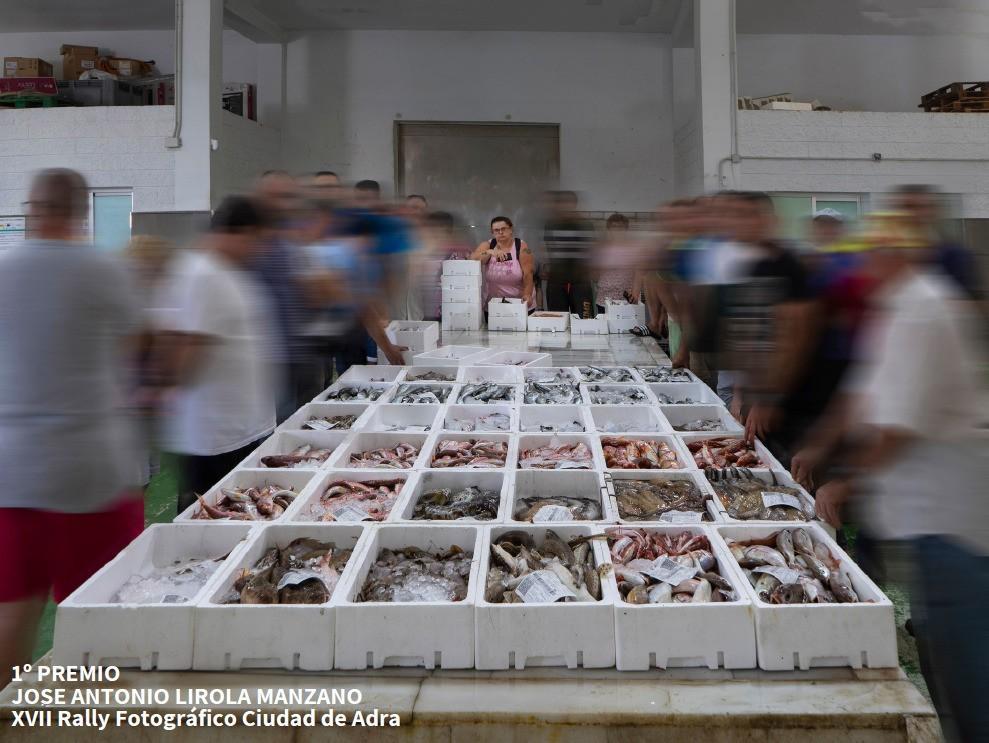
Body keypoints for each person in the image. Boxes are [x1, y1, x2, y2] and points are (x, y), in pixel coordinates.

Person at [797, 212, 989, 743]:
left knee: (965, 663)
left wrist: (846, 482)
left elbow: (900, 426)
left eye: (871, 256)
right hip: (922, 516)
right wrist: (820, 443)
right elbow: (861, 392)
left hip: (949, 520)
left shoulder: (921, 311)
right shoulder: (894, 305)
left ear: (897, 256)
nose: (863, 267)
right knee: (942, 643)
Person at [0, 169, 143, 687]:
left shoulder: (4, 269)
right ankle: (86, 713)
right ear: (82, 214)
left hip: (14, 471)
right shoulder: (104, 271)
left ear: (31, 211)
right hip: (91, 471)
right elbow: (133, 349)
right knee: (96, 614)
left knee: (14, 610)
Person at [154, 196, 277, 514]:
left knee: (241, 519)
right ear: (241, 233)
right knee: (211, 522)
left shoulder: (227, 271)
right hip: (214, 439)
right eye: (257, 240)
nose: (259, 249)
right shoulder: (202, 274)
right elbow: (186, 349)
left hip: (239, 431)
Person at [542, 190, 595, 316]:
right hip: (556, 279)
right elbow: (549, 248)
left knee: (585, 319)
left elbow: (591, 250)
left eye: (568, 202)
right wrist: (546, 266)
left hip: (580, 280)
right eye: (562, 203)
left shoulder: (585, 224)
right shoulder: (550, 224)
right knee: (557, 320)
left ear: (574, 204)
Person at [471, 216, 535, 307]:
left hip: (519, 302)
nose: (500, 232)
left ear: (511, 229)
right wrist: (490, 252)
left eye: (503, 229)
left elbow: (528, 274)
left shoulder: (521, 246)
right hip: (493, 303)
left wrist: (527, 294)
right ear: (492, 232)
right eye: (496, 230)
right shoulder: (488, 245)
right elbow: (473, 258)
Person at [593, 213, 645, 313]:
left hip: (627, 299)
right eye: (614, 227)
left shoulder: (633, 248)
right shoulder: (601, 248)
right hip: (604, 298)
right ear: (609, 229)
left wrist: (635, 294)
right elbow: (595, 273)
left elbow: (639, 273)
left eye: (620, 227)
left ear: (626, 229)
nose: (617, 230)